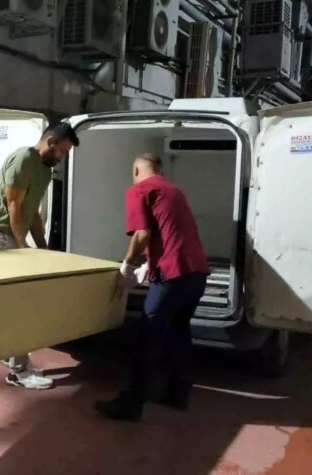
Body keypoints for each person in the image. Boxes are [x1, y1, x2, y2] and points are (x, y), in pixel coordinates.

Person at [94, 152, 209, 422]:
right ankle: (178, 394)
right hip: (197, 273)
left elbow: (143, 233)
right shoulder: (174, 191)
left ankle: (132, 403)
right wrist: (150, 263)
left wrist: (127, 264)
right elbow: (171, 233)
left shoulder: (140, 190)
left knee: (147, 335)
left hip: (172, 274)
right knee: (179, 330)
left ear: (136, 170)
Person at [0, 122, 80, 390]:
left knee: (17, 303)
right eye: (63, 151)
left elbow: (31, 211)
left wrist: (42, 247)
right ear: (50, 142)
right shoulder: (24, 158)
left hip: (12, 237)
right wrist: (22, 246)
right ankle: (19, 371)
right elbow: (13, 204)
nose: (63, 157)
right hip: (0, 236)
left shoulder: (45, 170)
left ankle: (14, 357)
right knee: (20, 304)